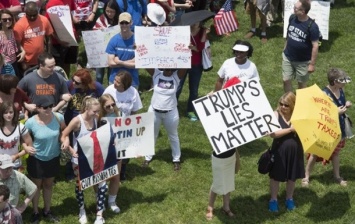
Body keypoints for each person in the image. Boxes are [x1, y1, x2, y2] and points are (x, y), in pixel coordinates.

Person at [61, 96, 107, 224]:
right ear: (87, 109)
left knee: (102, 184)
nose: (97, 114)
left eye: (98, 111)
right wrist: (70, 149)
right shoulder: (77, 121)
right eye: (95, 111)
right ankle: (82, 210)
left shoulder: (96, 119)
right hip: (79, 159)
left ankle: (99, 214)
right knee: (81, 185)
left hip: (94, 157)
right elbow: (64, 134)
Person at [302, 68, 352, 187]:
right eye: (342, 80)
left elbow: (340, 105)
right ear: (335, 82)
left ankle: (337, 176)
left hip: (338, 127)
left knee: (335, 153)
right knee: (315, 153)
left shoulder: (340, 89)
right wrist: (336, 113)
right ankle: (306, 177)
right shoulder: (324, 94)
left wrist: (346, 105)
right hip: (325, 128)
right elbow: (319, 114)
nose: (344, 83)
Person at [24, 99, 68, 223]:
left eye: (50, 106)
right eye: (45, 107)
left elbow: (64, 132)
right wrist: (27, 147)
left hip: (53, 157)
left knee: (48, 185)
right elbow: (23, 139)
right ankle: (35, 212)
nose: (48, 110)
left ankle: (47, 211)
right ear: (38, 108)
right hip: (36, 158)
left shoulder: (58, 117)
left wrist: (65, 140)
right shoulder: (31, 122)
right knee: (36, 187)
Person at [142, 68, 186, 170]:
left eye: (172, 70)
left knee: (173, 135)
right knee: (152, 134)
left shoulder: (176, 76)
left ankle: (176, 159)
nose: (169, 72)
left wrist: (187, 52)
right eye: (167, 70)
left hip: (171, 112)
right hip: (154, 111)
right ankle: (147, 157)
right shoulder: (156, 73)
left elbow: (185, 65)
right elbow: (145, 63)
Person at [268, 92, 304, 212]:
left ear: (293, 105)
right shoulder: (275, 114)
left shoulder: (298, 116)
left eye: (286, 105)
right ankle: (273, 200)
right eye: (281, 104)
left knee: (292, 177)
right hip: (279, 151)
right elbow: (273, 134)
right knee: (275, 177)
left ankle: (289, 198)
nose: (283, 107)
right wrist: (290, 129)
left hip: (295, 151)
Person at [282, 0, 319, 93]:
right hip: (288, 57)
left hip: (303, 61)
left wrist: (312, 64)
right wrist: (285, 48)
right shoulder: (292, 18)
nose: (293, 9)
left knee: (302, 85)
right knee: (286, 80)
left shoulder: (312, 27)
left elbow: (315, 45)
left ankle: (301, 104)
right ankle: (288, 102)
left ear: (303, 11)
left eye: (296, 8)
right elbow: (289, 34)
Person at [176, 21, 207, 121]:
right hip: (183, 63)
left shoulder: (203, 31)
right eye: (193, 22)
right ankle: (173, 108)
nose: (194, 24)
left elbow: (201, 48)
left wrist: (193, 47)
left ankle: (190, 110)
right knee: (178, 87)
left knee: (194, 90)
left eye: (197, 22)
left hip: (196, 65)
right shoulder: (184, 31)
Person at [98, 93, 122, 213]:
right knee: (101, 179)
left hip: (117, 151)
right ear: (102, 107)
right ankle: (100, 201)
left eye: (113, 104)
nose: (112, 108)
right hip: (102, 153)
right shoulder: (97, 117)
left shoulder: (119, 114)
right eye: (108, 106)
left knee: (115, 177)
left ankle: (112, 201)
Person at [14, 1, 54, 71]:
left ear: (38, 11)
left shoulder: (44, 20)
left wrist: (48, 55)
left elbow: (49, 39)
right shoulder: (19, 25)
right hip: (27, 62)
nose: (32, 17)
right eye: (29, 15)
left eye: (34, 15)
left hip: (41, 60)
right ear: (25, 12)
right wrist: (23, 63)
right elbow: (17, 45)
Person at [45, 0, 79, 76]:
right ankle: (58, 82)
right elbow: (48, 24)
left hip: (71, 38)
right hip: (57, 42)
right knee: (57, 66)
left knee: (68, 63)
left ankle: (66, 80)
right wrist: (58, 39)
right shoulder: (51, 3)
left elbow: (70, 12)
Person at [106, 12, 139, 87]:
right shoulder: (113, 40)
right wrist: (130, 62)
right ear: (118, 23)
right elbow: (110, 63)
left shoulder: (138, 40)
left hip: (132, 81)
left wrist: (119, 62)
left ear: (131, 23)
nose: (124, 25)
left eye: (126, 23)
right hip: (115, 81)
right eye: (122, 23)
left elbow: (138, 63)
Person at [0, 102, 33, 170]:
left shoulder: (20, 127)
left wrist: (16, 156)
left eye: (11, 112)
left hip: (15, 164)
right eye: (5, 112)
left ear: (14, 113)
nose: (8, 115)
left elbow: (30, 146)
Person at [93, 0, 120, 84]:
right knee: (99, 75)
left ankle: (110, 92)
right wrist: (99, 31)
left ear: (116, 11)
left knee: (111, 74)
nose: (109, 13)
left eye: (112, 11)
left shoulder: (119, 20)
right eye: (107, 11)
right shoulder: (101, 19)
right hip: (101, 52)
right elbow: (94, 31)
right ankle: (98, 92)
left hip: (113, 52)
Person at [0, 9, 25, 78]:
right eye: (4, 20)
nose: (8, 21)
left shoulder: (13, 31)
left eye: (9, 19)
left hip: (14, 62)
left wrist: (23, 51)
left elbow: (17, 44)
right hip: (4, 66)